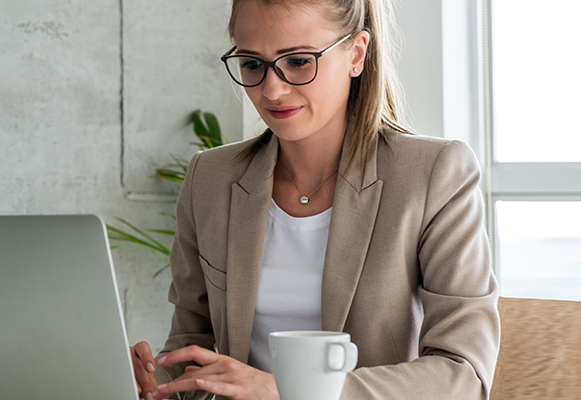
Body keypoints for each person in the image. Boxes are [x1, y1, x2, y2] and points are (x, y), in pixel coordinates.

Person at [126, 0, 500, 399]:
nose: (272, 89)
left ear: (356, 53)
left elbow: (463, 373)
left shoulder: (435, 174)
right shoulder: (210, 180)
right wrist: (153, 383)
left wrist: (291, 392)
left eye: (299, 61)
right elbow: (191, 348)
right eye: (252, 64)